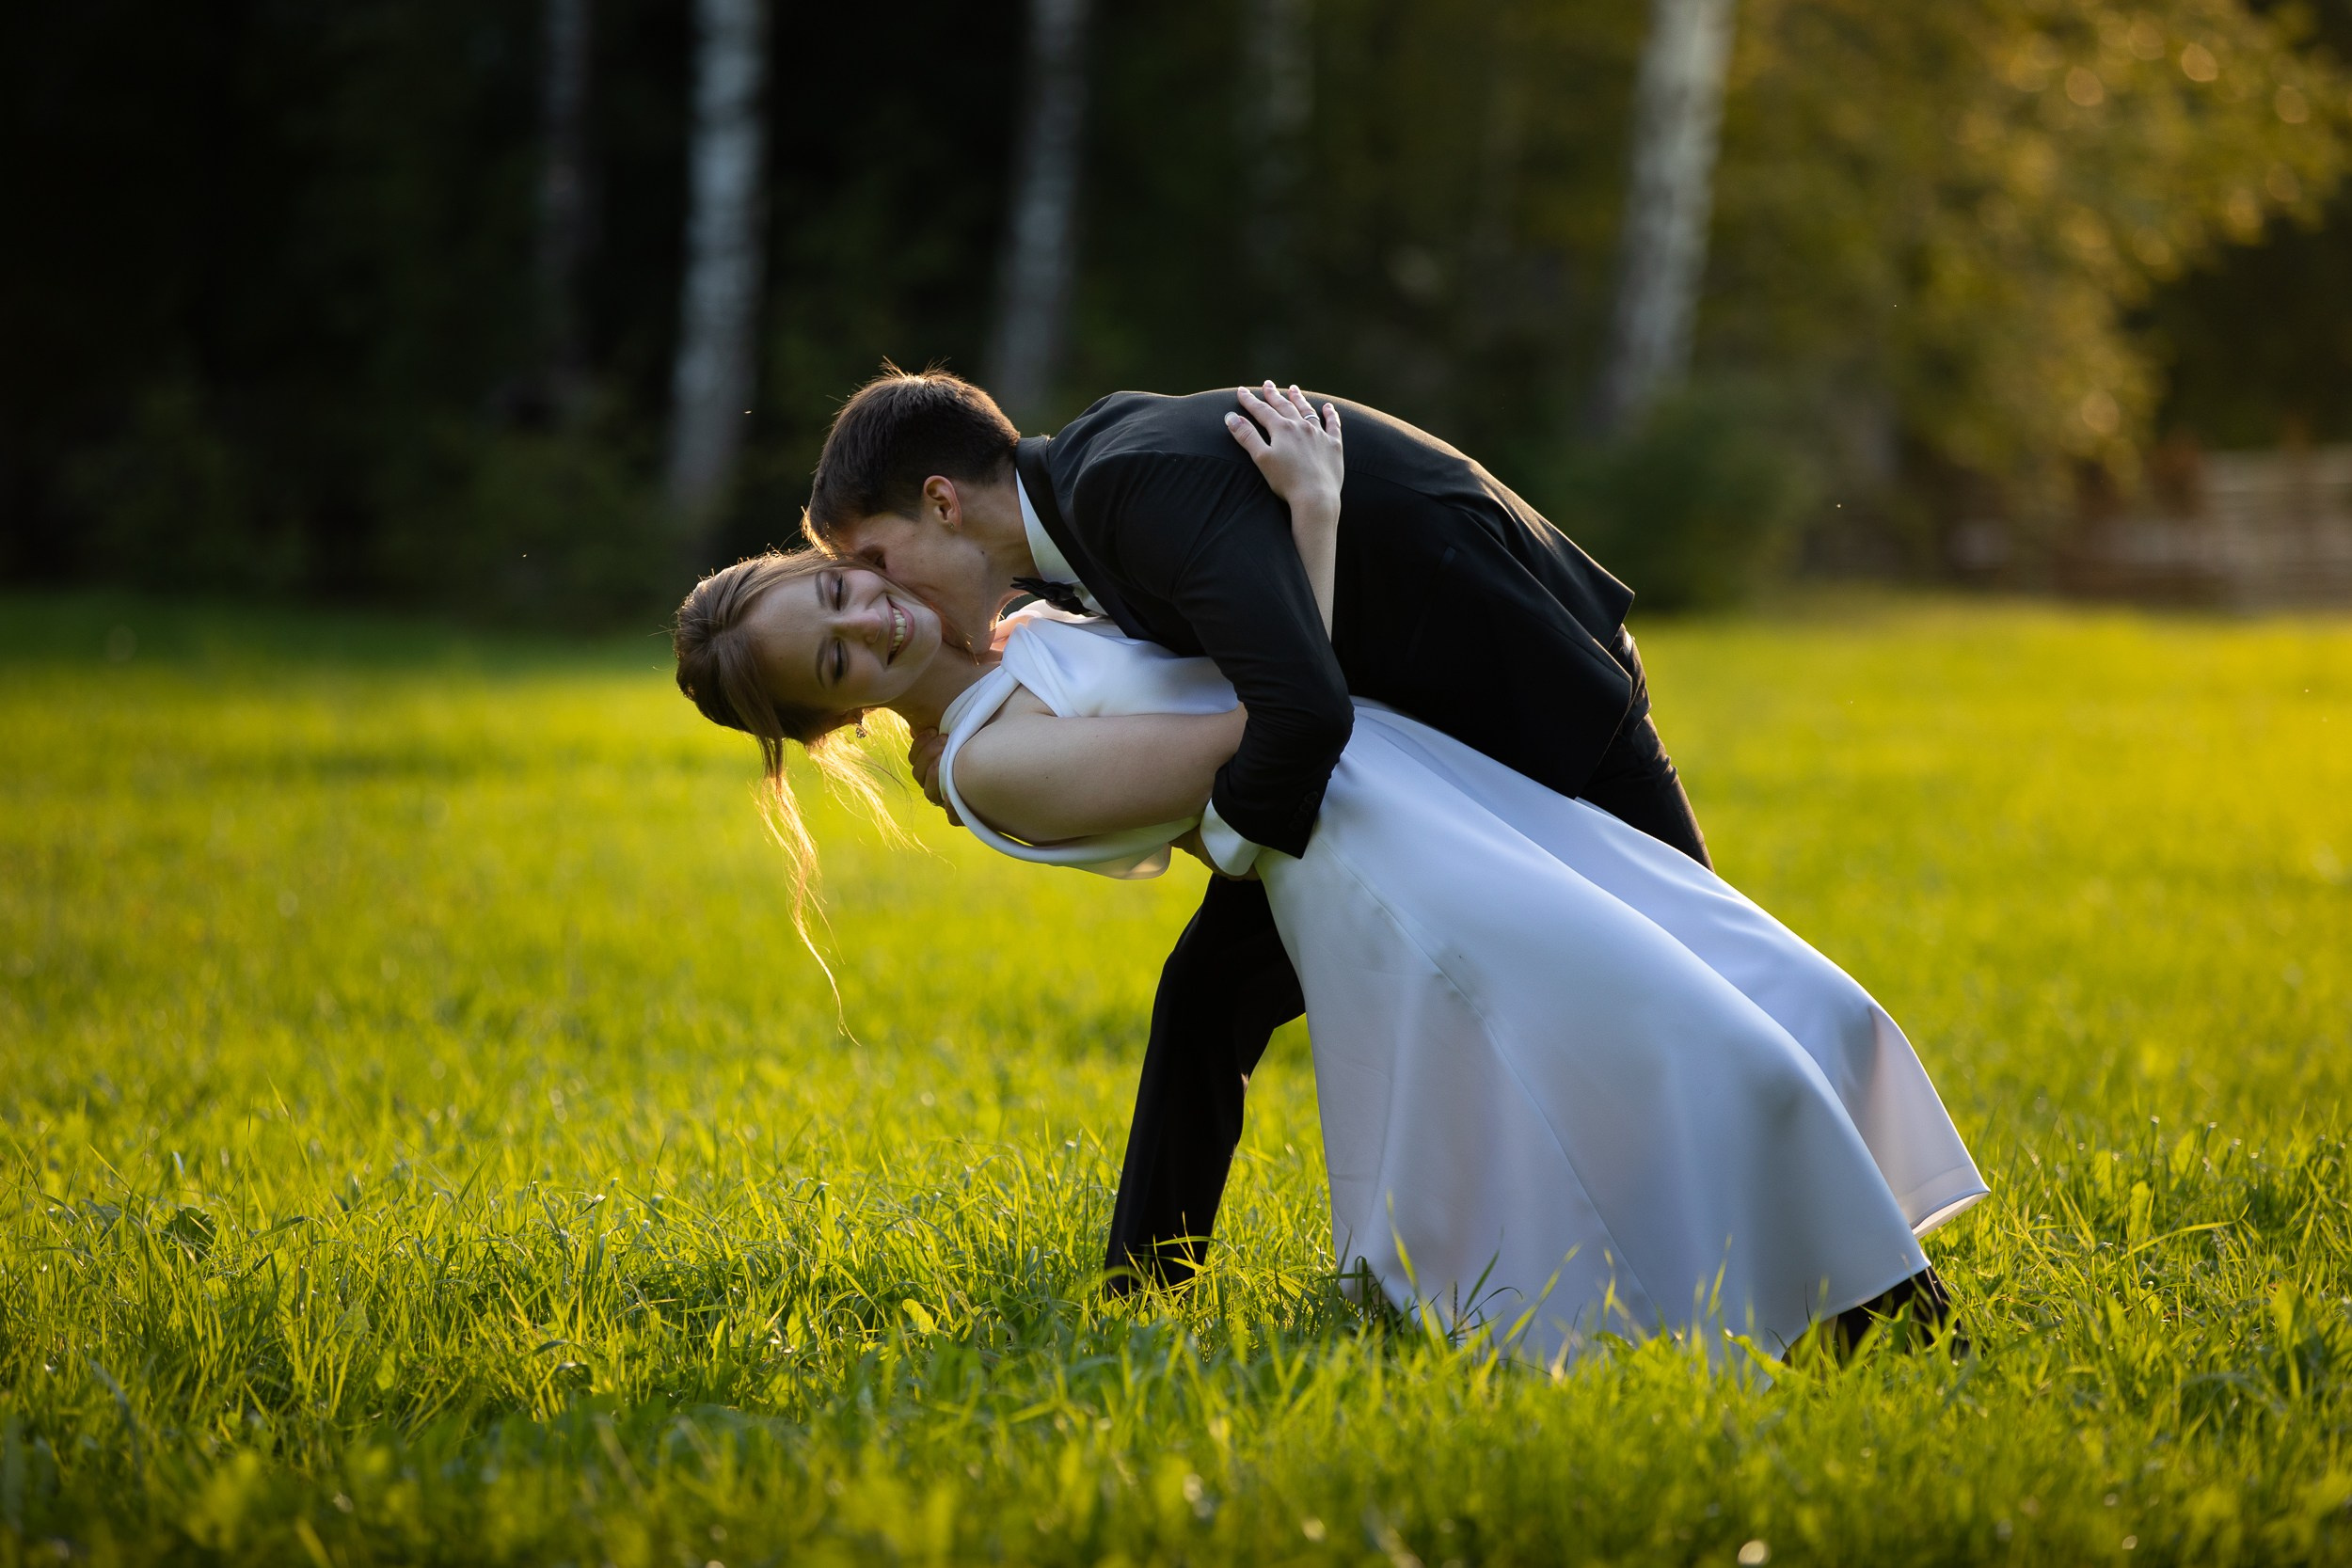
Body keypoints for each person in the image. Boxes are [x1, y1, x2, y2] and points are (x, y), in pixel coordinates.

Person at [672, 390, 1989, 1364]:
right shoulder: (990, 760)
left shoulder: (1025, 618)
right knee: (1697, 1044)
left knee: (1744, 986)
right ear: (837, 720)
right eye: (837, 655)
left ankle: (1857, 1292)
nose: (871, 614)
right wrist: (1313, 511)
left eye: (841, 589)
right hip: (1385, 863)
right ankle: (1878, 1327)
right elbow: (1267, 728)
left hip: (1437, 797)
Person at [799, 368, 1708, 1294]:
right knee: (1207, 992)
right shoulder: (1080, 499)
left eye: (874, 559)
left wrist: (1230, 842)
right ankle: (1141, 1288)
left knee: (1705, 974)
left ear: (941, 502)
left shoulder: (1125, 484)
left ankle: (1794, 1250)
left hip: (1536, 694)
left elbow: (1301, 711)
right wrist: (944, 733)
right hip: (1412, 743)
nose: (880, 595)